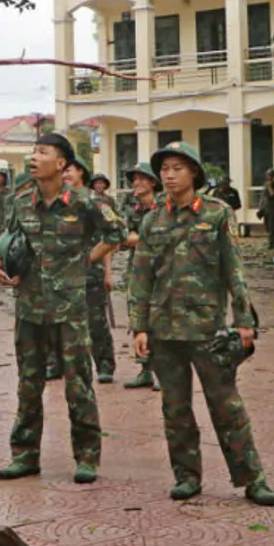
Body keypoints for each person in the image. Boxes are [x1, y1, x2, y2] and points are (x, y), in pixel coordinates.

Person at [129, 141, 274, 505]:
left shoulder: (216, 213)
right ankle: (186, 475)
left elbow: (233, 269)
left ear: (194, 172)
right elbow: (141, 277)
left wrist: (244, 320)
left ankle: (252, 478)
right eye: (164, 168)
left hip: (207, 328)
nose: (169, 174)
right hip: (164, 330)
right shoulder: (151, 220)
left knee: (227, 406)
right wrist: (140, 327)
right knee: (175, 408)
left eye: (177, 167)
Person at [0, 133, 121, 483]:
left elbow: (117, 233)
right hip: (29, 309)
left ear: (62, 163)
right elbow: (7, 242)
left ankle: (87, 457)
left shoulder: (85, 202)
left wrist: (85, 261)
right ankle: (24, 455)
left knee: (78, 385)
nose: (33, 157)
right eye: (32, 151)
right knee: (28, 384)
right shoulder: (20, 201)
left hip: (70, 310)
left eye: (42, 152)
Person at [62, 159, 121, 383]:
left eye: (69, 170)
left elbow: (111, 239)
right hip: (64, 277)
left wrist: (108, 272)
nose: (65, 175)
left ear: (80, 172)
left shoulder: (95, 203)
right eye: (63, 172)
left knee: (96, 321)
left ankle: (105, 364)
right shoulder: (60, 202)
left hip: (91, 273)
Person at [120, 163, 163, 390]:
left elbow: (169, 236)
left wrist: (140, 237)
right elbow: (122, 238)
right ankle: (145, 369)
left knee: (160, 318)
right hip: (137, 269)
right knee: (138, 316)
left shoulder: (165, 205)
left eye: (141, 179)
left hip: (163, 269)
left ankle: (161, 372)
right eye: (134, 179)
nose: (136, 183)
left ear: (153, 182)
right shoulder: (131, 208)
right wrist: (148, 237)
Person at [259, 169, 274, 247]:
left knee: (271, 226)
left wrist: (269, 187)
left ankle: (271, 243)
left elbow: (273, 195)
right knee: (267, 226)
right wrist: (260, 207)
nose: (268, 177)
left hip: (273, 208)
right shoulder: (265, 185)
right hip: (266, 208)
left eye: (270, 176)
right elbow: (263, 197)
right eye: (268, 175)